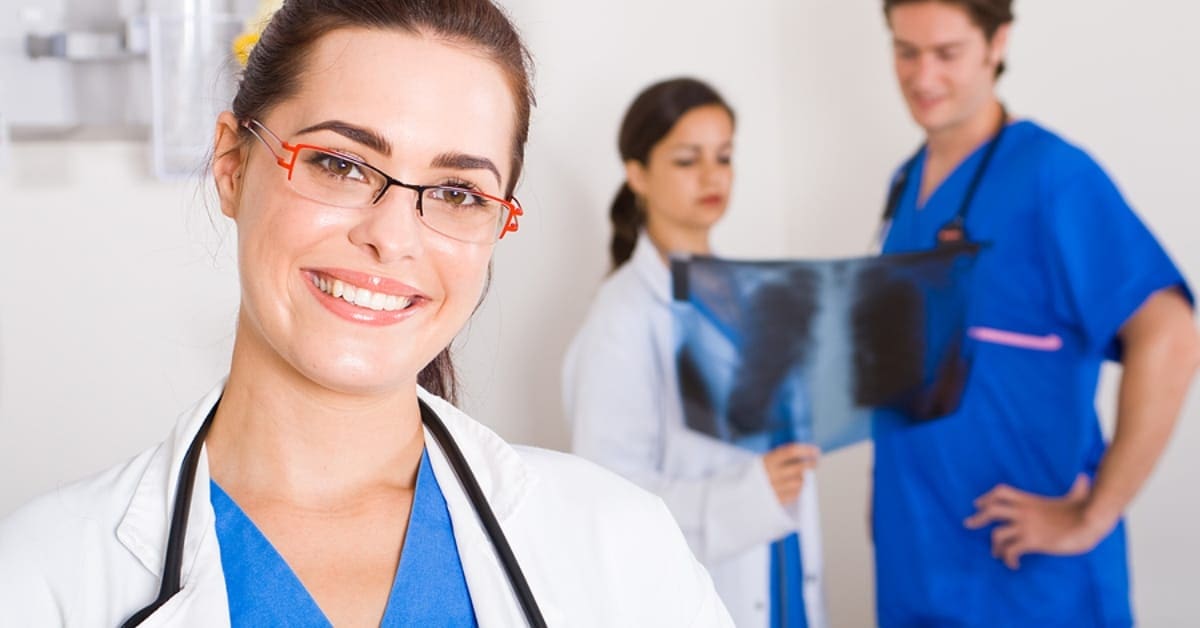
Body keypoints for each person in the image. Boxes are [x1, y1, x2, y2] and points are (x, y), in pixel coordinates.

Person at [0, 2, 735, 626]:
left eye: (456, 192)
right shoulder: (45, 577)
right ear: (232, 164)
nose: (392, 234)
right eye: (341, 164)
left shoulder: (623, 551)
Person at [872, 1, 1200, 625]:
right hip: (917, 554)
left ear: (998, 43)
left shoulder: (1053, 176)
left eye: (947, 53)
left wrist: (1092, 514)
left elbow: (1173, 337)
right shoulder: (903, 182)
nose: (922, 77)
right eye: (905, 50)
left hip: (1026, 577)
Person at [563, 78, 828, 628]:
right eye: (687, 159)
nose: (712, 176)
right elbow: (611, 504)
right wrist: (748, 496)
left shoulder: (753, 296)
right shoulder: (624, 318)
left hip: (783, 573)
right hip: (704, 594)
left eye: (724, 156)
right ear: (637, 173)